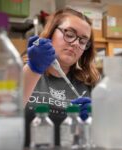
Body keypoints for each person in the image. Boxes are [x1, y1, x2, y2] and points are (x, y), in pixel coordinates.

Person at [23, 7, 100, 147]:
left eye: (83, 41)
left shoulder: (91, 83)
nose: (76, 43)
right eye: (70, 34)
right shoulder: (23, 72)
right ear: (51, 33)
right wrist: (32, 70)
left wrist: (97, 120)